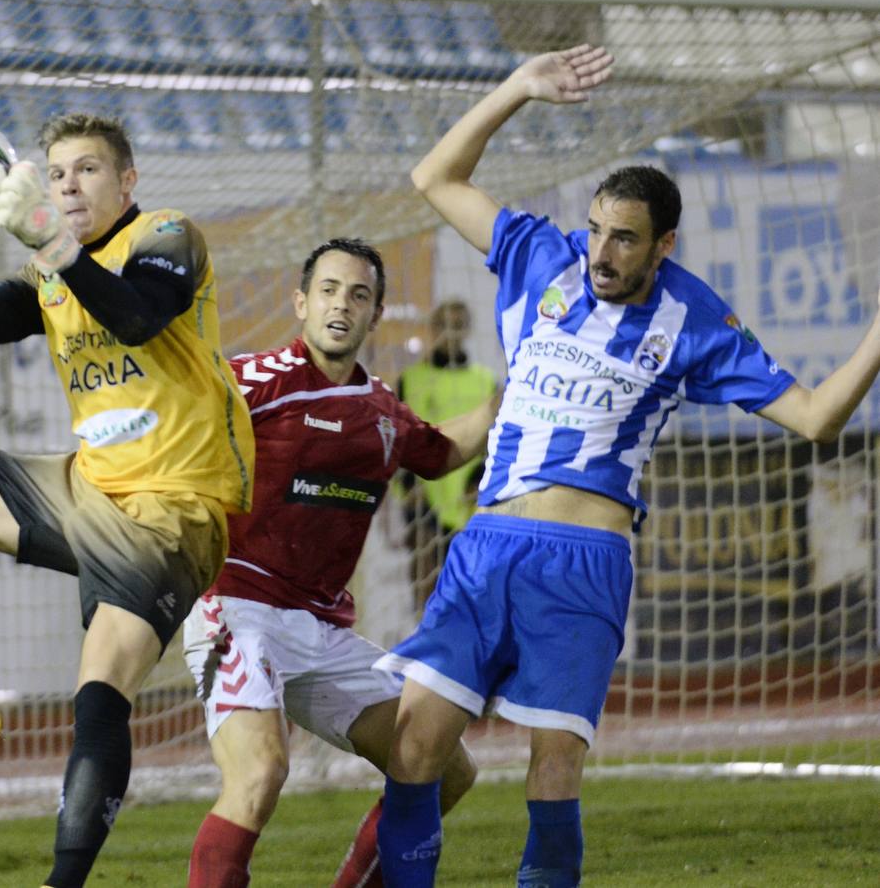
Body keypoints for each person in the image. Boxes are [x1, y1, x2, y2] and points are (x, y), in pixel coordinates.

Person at [374, 44, 880, 888]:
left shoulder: (695, 321)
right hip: (488, 544)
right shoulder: (543, 256)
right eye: (599, 231)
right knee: (416, 742)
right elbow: (435, 176)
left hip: (585, 564)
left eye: (625, 241)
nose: (603, 253)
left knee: (554, 769)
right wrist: (517, 89)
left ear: (662, 245)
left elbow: (820, 418)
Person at [0, 112, 254, 888]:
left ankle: (62, 883)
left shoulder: (169, 235)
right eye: (59, 173)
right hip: (85, 485)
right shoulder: (53, 268)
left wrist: (50, 239)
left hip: (173, 507)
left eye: (89, 171)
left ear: (128, 181)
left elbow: (136, 317)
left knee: (99, 692)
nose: (70, 185)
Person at [183, 238, 499, 888]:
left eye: (358, 294)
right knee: (261, 771)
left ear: (376, 313)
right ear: (301, 302)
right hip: (237, 611)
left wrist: (507, 404)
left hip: (321, 631)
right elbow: (173, 431)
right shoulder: (250, 383)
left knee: (443, 769)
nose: (341, 305)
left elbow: (438, 454)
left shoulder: (381, 411)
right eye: (328, 290)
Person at [398, 300, 500, 612]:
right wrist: (408, 488)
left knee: (475, 585)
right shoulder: (411, 379)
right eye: (444, 325)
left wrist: (480, 480)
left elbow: (495, 437)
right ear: (434, 329)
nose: (451, 333)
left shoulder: (486, 381)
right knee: (427, 580)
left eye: (458, 325)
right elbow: (399, 436)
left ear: (467, 330)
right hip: (425, 498)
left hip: (472, 499)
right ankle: (424, 644)